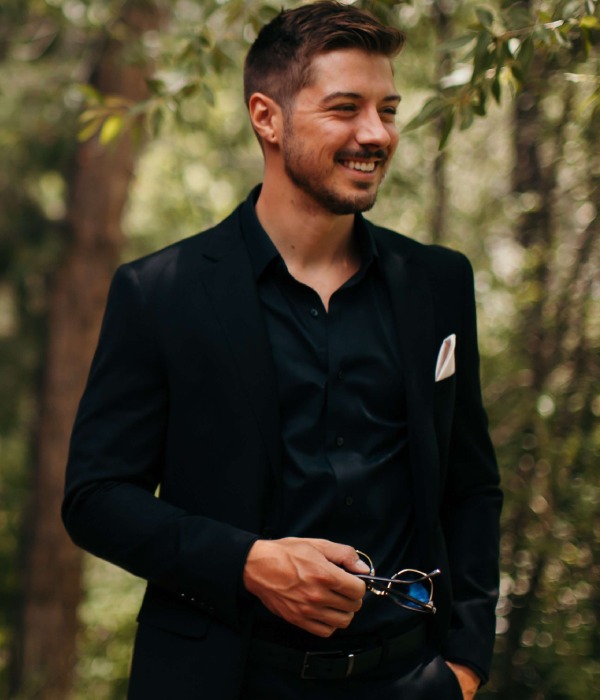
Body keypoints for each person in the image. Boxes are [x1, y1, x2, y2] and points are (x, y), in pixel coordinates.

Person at [63, 2, 502, 698]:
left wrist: (466, 665)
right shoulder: (159, 292)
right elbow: (95, 498)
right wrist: (247, 562)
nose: (376, 133)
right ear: (267, 117)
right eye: (345, 108)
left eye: (387, 108)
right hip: (222, 680)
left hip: (408, 680)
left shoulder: (440, 283)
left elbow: (470, 486)